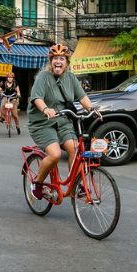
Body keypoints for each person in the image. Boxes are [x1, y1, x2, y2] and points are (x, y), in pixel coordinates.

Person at [27, 44, 94, 199]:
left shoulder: (70, 78)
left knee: (75, 149)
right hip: (43, 123)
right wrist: (46, 109)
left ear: (66, 62)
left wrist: (92, 110)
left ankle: (74, 187)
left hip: (63, 121)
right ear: (51, 62)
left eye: (61, 58)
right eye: (55, 58)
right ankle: (37, 183)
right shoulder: (43, 77)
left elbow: (82, 97)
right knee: (55, 154)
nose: (58, 61)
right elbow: (37, 98)